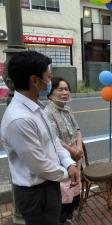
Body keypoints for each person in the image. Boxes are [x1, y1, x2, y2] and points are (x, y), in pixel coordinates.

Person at [0, 51, 79, 225]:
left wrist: (68, 163)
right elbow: (40, 166)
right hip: (36, 193)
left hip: (49, 184)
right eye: (48, 78)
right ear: (35, 81)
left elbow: (53, 141)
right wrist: (67, 174)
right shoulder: (19, 119)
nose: (50, 82)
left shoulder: (37, 106)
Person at [45, 77, 83, 224]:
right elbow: (54, 139)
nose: (65, 92)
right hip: (62, 157)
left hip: (76, 155)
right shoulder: (47, 112)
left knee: (74, 187)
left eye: (66, 89)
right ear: (50, 92)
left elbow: (78, 129)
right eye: (60, 89)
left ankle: (69, 216)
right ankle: (63, 218)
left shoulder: (67, 109)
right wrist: (72, 151)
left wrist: (78, 147)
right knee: (64, 190)